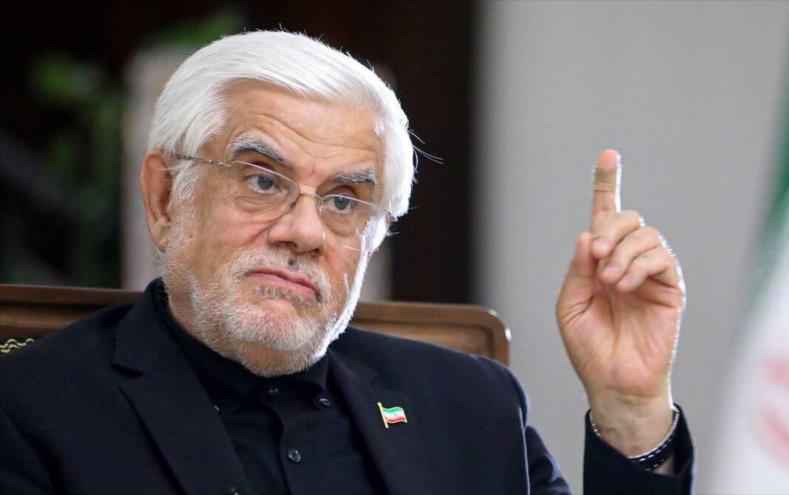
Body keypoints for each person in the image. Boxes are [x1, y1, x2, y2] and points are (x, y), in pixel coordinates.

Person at [0, 31, 693, 494]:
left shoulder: (469, 404)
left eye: (342, 200)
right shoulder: (34, 410)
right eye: (263, 180)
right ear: (163, 198)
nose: (304, 231)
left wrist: (631, 411)